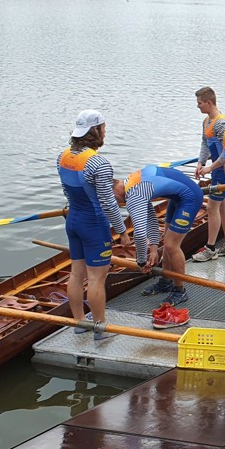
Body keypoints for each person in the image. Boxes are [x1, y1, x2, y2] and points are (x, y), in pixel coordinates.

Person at [56, 110, 127, 341]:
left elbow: (67, 191)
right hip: (94, 224)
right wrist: (122, 231)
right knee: (97, 278)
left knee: (76, 274)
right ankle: (100, 328)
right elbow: (108, 202)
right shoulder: (99, 163)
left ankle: (80, 322)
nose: (105, 131)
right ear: (95, 131)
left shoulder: (62, 156)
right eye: (103, 128)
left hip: (73, 220)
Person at [113, 163, 202, 317]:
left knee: (172, 245)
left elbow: (140, 234)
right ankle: (166, 282)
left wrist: (141, 262)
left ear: (113, 192)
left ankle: (180, 290)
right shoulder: (132, 181)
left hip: (190, 197)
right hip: (177, 196)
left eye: (112, 199)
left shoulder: (134, 196)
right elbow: (151, 219)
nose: (115, 203)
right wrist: (154, 248)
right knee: (167, 241)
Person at [192, 86, 225, 262]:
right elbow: (205, 143)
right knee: (223, 206)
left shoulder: (221, 124)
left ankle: (210, 249)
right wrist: (201, 163)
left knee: (212, 207)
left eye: (200, 103)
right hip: (217, 170)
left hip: (223, 171)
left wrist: (210, 168)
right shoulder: (206, 121)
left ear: (209, 102)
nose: (198, 106)